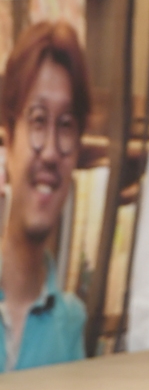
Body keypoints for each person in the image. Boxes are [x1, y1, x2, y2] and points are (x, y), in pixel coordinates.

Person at [0, 21, 91, 371]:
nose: (51, 152)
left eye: (65, 125)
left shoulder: (73, 326)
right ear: (9, 137)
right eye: (38, 120)